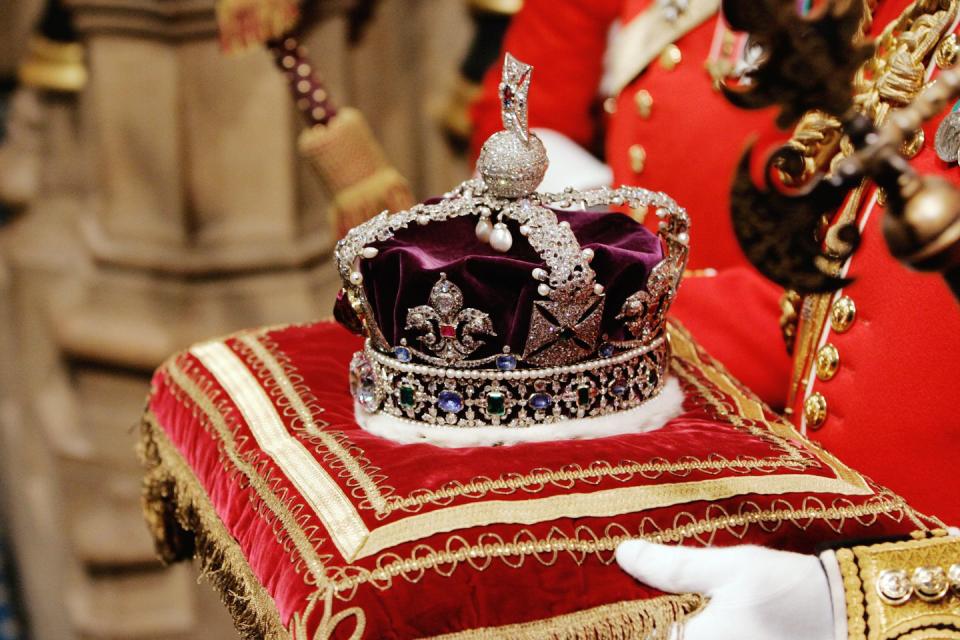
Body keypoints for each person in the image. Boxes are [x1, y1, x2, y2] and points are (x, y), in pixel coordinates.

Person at [472, 0, 960, 637]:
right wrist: (587, 315)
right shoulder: (932, 26)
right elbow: (825, 313)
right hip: (821, 521)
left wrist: (876, 600)